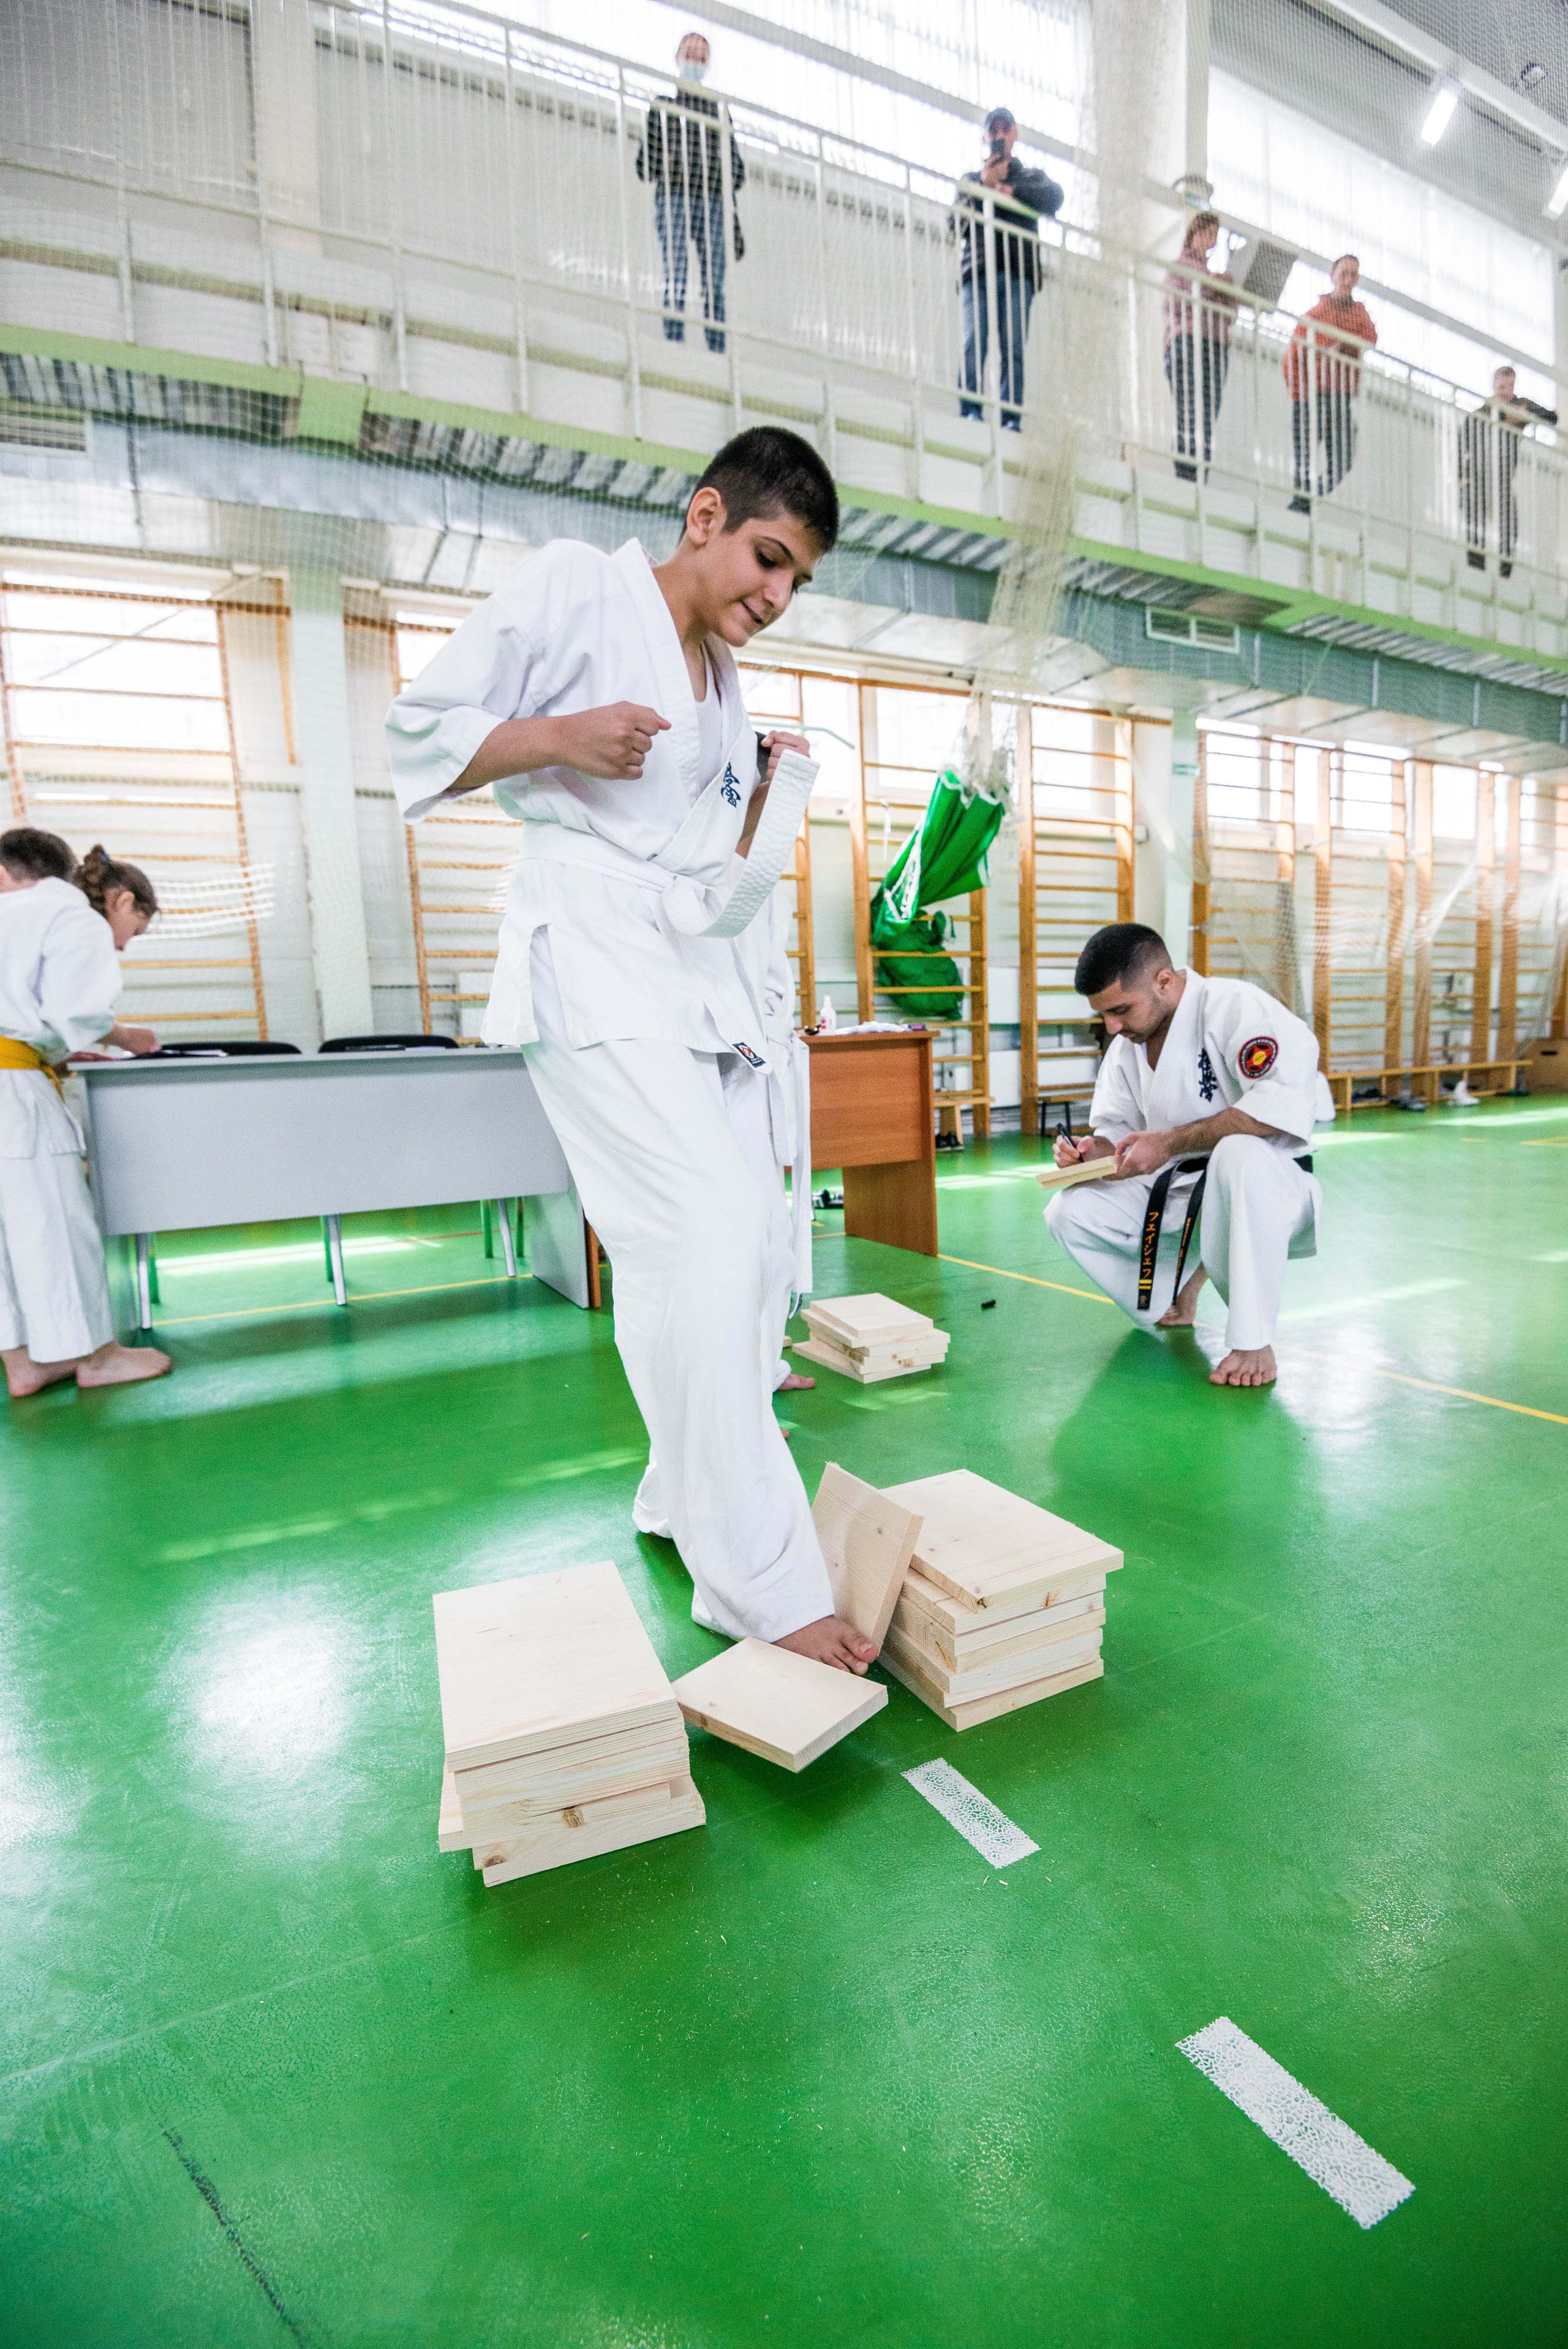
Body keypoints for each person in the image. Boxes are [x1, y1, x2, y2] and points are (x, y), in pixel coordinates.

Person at [386, 426, 875, 1672]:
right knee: (711, 1226)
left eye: (797, 579)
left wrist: (765, 806)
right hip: (594, 961)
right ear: (705, 516)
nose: (776, 595)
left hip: (694, 975)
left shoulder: (725, 686)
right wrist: (560, 736)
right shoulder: (575, 588)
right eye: (768, 557)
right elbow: (416, 730)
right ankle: (760, 1583)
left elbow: (706, 877)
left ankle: (677, 1492)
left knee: (718, 1257)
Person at [1043, 924, 1332, 1389]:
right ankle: (1173, 1287)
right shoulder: (1127, 1048)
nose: (1111, 1027)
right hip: (1179, 1194)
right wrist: (1091, 1154)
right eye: (1103, 1015)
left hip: (1266, 1187)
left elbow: (1280, 1109)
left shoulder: (1234, 1008)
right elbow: (1118, 1136)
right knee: (1069, 1211)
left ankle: (1253, 1340)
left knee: (1237, 1154)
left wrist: (1169, 1143)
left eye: (1120, 1010)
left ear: (1164, 981)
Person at [0, 834, 171, 1398]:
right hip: (11, 1089)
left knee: (3, 1238)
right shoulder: (72, 915)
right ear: (122, 902)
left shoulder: (11, 912)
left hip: (12, 1066)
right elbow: (76, 1012)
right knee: (54, 1221)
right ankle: (99, 1357)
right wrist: (125, 1034)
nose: (122, 946)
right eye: (133, 932)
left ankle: (24, 1361)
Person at [635, 32, 746, 356]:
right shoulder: (664, 107)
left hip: (713, 203)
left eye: (701, 57)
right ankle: (674, 342)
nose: (695, 61)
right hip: (675, 198)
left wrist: (706, 166)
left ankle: (717, 349)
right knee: (677, 270)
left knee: (714, 282)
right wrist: (669, 160)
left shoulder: (719, 113)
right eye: (690, 54)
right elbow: (644, 165)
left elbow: (737, 172)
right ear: (678, 58)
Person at [954, 107, 1063, 431]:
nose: (999, 135)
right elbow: (955, 223)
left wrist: (1011, 192)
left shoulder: (1030, 177)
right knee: (974, 341)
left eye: (1005, 129)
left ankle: (1011, 417)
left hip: (1018, 273)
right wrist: (983, 186)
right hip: (978, 272)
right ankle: (970, 409)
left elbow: (1055, 198)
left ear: (1014, 134)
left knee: (1013, 347)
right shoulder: (971, 181)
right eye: (994, 130)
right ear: (986, 137)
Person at [1284, 254, 1376, 511]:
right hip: (1312, 394)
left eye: (1353, 275)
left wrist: (1343, 346)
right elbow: (1292, 357)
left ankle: (1311, 497)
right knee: (1305, 456)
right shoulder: (1315, 315)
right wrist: (1300, 391)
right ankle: (1302, 504)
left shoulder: (1359, 314)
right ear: (1333, 276)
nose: (1348, 280)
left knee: (1343, 458)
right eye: (1344, 274)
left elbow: (1370, 338)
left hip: (1340, 396)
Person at [1459, 366, 1558, 575]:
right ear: (1494, 386)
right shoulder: (1481, 413)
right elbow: (1463, 442)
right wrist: (1462, 475)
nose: (1506, 391)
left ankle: (1505, 571)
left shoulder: (1520, 405)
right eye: (1502, 387)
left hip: (1503, 478)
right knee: (1475, 521)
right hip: (1478, 476)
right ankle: (1476, 567)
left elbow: (1552, 417)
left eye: (1510, 386)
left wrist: (1526, 415)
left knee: (1510, 524)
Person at [1163, 211, 1238, 482]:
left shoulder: (1213, 274)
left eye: (1214, 235)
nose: (1210, 240)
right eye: (1206, 233)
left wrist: (1224, 290)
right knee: (1189, 410)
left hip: (1216, 346)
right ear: (1194, 233)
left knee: (1207, 416)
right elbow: (1177, 301)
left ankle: (1199, 477)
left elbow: (1229, 315)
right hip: (1187, 342)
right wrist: (1212, 287)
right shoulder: (1179, 266)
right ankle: (1186, 475)